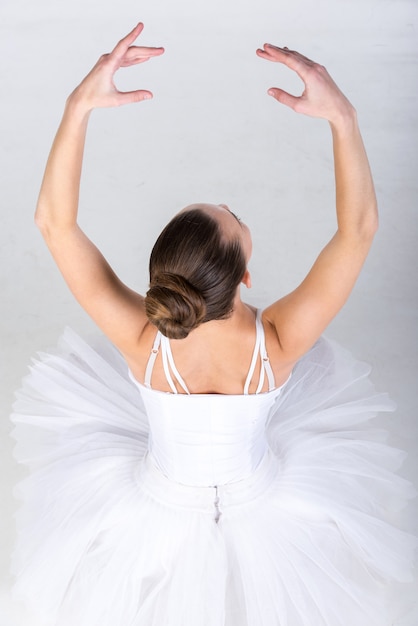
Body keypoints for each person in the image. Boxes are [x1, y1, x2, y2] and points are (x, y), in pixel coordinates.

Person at [10, 22, 416, 626]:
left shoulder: (143, 342)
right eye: (235, 215)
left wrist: (78, 108)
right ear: (246, 277)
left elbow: (54, 223)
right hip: (264, 494)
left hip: (156, 499)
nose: (226, 201)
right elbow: (357, 230)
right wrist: (344, 117)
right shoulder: (276, 343)